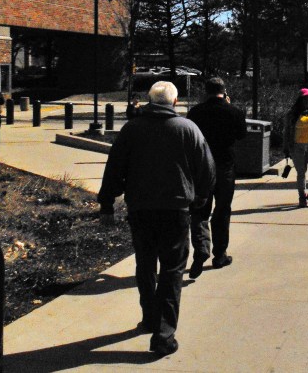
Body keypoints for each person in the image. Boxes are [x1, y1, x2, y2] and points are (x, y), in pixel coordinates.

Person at [97, 81, 215, 357]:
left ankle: (150, 317)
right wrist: (200, 199)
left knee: (145, 264)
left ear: (150, 101)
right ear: (174, 103)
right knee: (172, 270)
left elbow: (114, 167)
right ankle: (163, 334)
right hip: (175, 211)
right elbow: (207, 169)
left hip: (140, 209)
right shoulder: (188, 129)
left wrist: (107, 203)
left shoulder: (132, 129)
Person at [187, 77, 247, 279]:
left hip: (201, 168)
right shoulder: (234, 112)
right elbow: (242, 135)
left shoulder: (195, 113)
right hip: (225, 168)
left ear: (206, 92)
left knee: (200, 211)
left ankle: (201, 248)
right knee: (222, 211)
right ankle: (220, 254)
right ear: (224, 91)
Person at [283, 88, 308, 208]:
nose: (307, 101)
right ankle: (302, 196)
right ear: (300, 100)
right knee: (301, 172)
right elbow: (286, 132)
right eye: (305, 99)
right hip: (297, 147)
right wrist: (286, 148)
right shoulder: (292, 114)